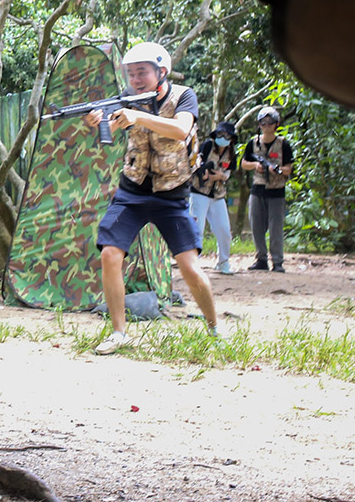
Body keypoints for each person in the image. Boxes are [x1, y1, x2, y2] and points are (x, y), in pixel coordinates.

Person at [85, 42, 220, 355]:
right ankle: (119, 333)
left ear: (162, 71)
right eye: (131, 73)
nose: (135, 78)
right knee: (109, 254)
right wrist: (97, 120)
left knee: (188, 267)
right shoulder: (128, 101)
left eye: (141, 72)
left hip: (172, 194)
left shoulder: (184, 96)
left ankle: (214, 327)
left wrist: (138, 116)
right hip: (131, 190)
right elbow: (115, 124)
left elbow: (181, 130)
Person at [240, 106, 294, 273]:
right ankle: (261, 259)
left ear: (276, 124)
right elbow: (243, 163)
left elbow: (288, 169)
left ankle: (277, 262)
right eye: (263, 122)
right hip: (258, 189)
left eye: (270, 122)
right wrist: (256, 165)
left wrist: (276, 169)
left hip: (277, 190)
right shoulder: (253, 143)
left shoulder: (283, 144)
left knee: (276, 227)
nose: (267, 125)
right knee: (256, 226)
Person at [190, 121, 238, 275]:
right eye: (220, 134)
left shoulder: (231, 152)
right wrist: (204, 173)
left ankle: (223, 262)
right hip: (199, 192)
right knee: (197, 229)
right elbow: (195, 163)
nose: (223, 137)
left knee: (224, 229)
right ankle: (192, 263)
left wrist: (220, 176)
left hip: (218, 195)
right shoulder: (207, 146)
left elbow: (228, 173)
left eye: (226, 135)